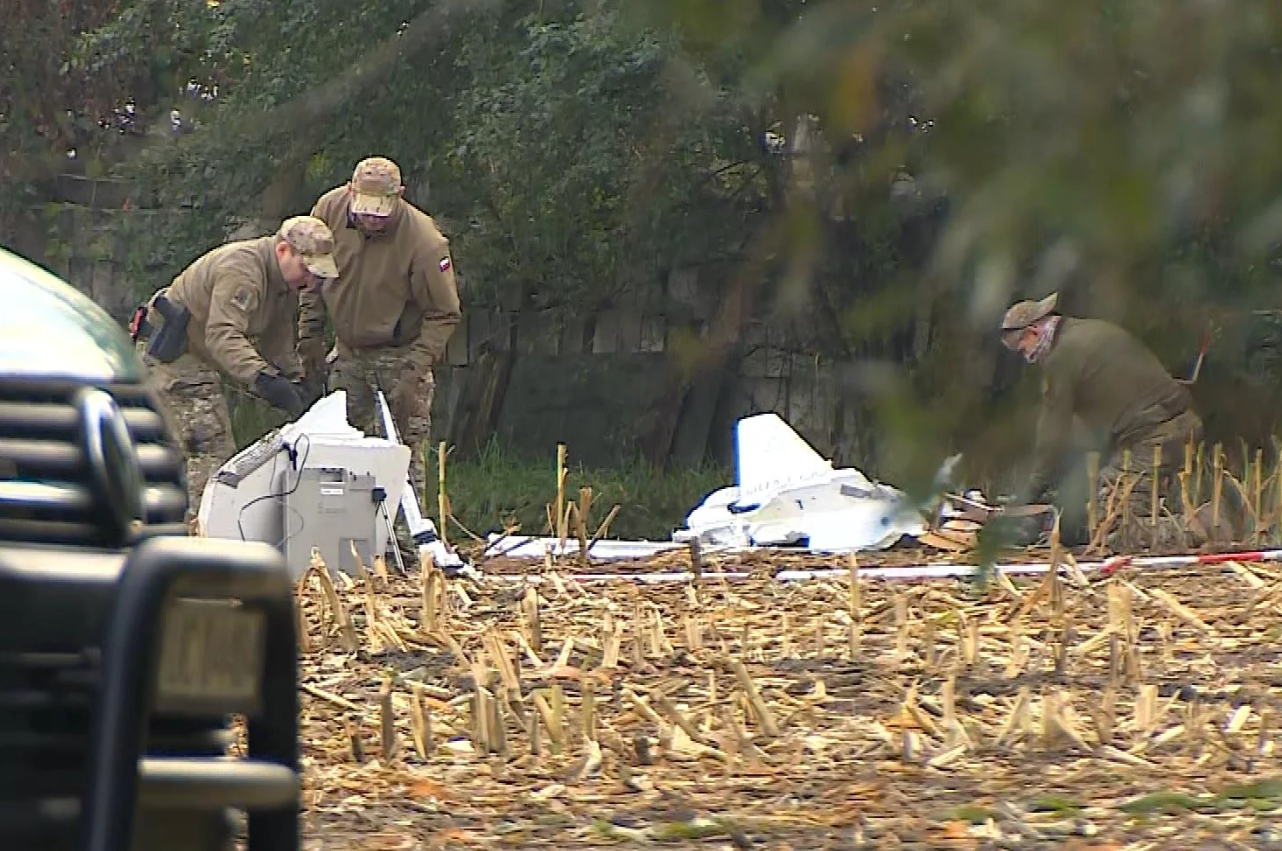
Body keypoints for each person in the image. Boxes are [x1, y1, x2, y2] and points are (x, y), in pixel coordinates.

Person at [136, 215, 340, 522]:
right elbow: (222, 335)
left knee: (183, 449)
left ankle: (171, 523)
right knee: (210, 446)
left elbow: (277, 338)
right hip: (174, 357)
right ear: (283, 250)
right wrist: (264, 379)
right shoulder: (243, 270)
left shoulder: (283, 284)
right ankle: (199, 535)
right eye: (306, 270)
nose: (311, 282)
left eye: (317, 275)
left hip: (197, 356)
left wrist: (296, 382)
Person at [298, 156, 462, 521]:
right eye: (364, 209)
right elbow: (312, 279)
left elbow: (444, 313)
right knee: (343, 454)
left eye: (380, 210)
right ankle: (349, 539)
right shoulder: (327, 212)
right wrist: (308, 338)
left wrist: (413, 369)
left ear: (399, 196)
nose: (371, 218)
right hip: (346, 354)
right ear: (349, 190)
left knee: (401, 455)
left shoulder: (425, 242)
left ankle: (404, 544)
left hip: (399, 354)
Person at [1000, 292, 1203, 550]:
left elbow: (1053, 433)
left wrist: (1030, 491)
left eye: (1023, 350)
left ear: (1033, 333)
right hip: (1165, 426)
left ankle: (1202, 528)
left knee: (1109, 527)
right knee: (1094, 501)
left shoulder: (1062, 357)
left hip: (1156, 436)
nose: (1027, 357)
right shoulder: (1089, 331)